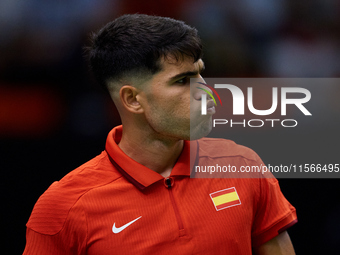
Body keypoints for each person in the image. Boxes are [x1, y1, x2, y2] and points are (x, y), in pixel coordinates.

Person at [23, 14, 297, 254]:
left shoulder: (243, 165)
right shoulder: (63, 206)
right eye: (182, 81)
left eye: (201, 75)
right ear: (132, 100)